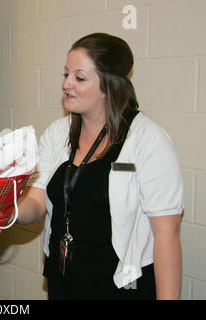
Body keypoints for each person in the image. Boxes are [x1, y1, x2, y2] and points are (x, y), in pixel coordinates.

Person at [16, 33, 183, 300]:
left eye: (79, 78)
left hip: (120, 286)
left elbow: (167, 234)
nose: (66, 84)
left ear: (110, 85)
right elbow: (35, 203)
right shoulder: (58, 133)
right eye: (66, 74)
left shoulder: (147, 140)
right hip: (65, 282)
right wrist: (1, 208)